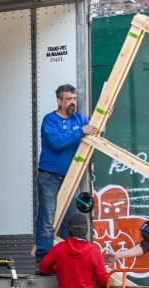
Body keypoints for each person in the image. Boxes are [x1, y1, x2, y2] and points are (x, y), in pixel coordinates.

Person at [35, 84, 98, 262]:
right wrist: (80, 131)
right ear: (59, 101)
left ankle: (68, 262)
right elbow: (56, 142)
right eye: (69, 99)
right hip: (49, 177)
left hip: (71, 177)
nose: (72, 102)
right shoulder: (50, 120)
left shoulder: (79, 119)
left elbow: (99, 133)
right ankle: (43, 261)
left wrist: (105, 117)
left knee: (70, 221)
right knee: (47, 219)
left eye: (74, 99)